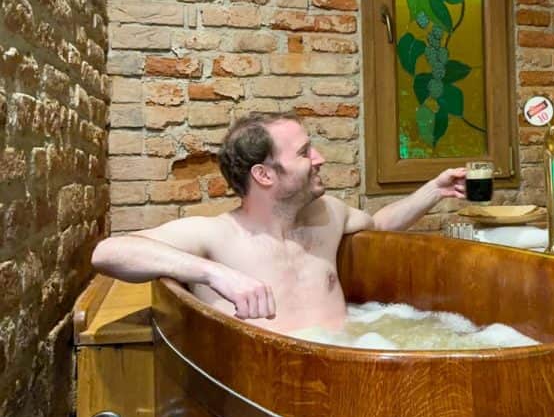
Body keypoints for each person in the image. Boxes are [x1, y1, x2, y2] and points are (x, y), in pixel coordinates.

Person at [91, 111, 467, 333]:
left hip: (348, 366)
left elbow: (379, 225)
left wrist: (434, 190)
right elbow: (110, 252)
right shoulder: (218, 236)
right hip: (266, 392)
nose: (318, 158)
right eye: (304, 152)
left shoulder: (328, 216)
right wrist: (214, 274)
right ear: (265, 175)